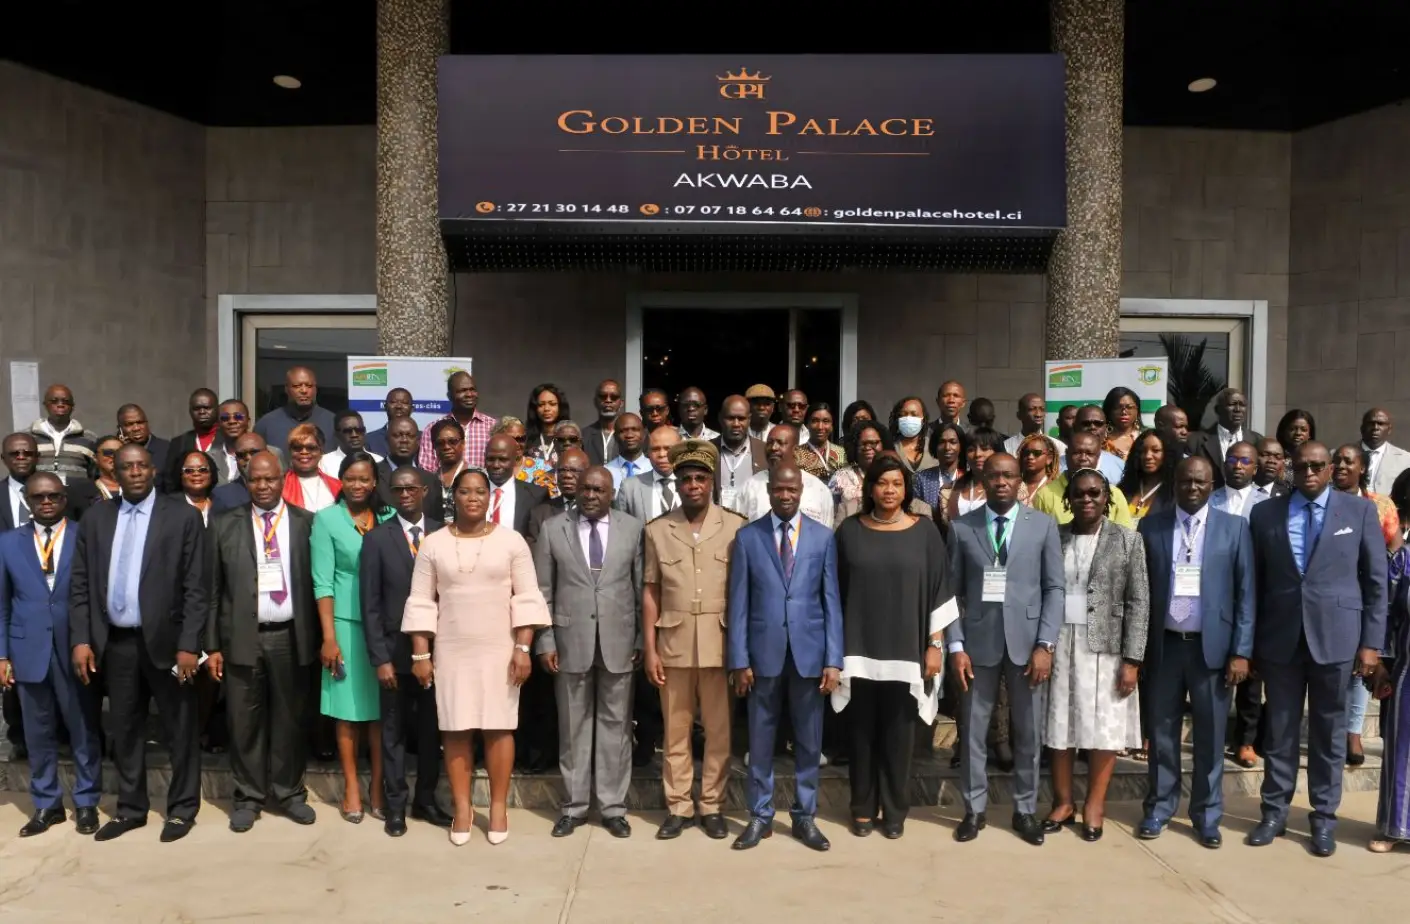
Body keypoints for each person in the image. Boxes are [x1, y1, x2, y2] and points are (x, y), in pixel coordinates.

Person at [1247, 441, 1387, 857]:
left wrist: (1371, 644)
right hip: (1281, 638)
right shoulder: (1265, 513)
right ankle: (1274, 812)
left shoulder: (1359, 512)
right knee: (1281, 732)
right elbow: (1254, 583)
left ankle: (1324, 817)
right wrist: (1250, 643)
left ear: (1331, 469)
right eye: (1302, 466)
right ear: (1291, 468)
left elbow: (1376, 583)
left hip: (1338, 637)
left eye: (1318, 466)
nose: (1309, 473)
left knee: (1328, 735)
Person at [403, 467, 551, 846]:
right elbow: (421, 600)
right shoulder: (435, 543)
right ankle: (463, 808)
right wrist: (421, 653)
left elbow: (527, 598)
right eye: (465, 492)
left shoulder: (512, 541)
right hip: (452, 650)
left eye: (479, 492)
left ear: (490, 498)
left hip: (500, 649)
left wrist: (523, 648)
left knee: (499, 727)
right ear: (454, 497)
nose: (472, 498)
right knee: (455, 726)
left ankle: (499, 807)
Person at [70, 443, 208, 842]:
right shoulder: (97, 517)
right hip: (116, 643)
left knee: (179, 728)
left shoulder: (181, 516)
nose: (134, 472)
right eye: (126, 466)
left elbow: (196, 587)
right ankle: (131, 809)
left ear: (152, 470)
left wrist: (188, 645)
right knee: (125, 728)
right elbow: (80, 584)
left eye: (141, 466)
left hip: (168, 644)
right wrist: (81, 639)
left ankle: (182, 810)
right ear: (114, 469)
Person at [832, 453, 953, 839]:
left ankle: (895, 810)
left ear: (906, 489)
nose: (889, 490)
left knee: (899, 738)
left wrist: (935, 645)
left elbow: (940, 591)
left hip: (907, 652)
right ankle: (862, 808)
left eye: (896, 483)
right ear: (869, 488)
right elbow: (834, 593)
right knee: (862, 736)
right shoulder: (849, 531)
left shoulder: (925, 532)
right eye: (882, 483)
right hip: (858, 651)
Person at [1137, 456, 1254, 848]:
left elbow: (1245, 596)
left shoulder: (1234, 529)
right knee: (1162, 735)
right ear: (1175, 483)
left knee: (1210, 737)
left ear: (1211, 486)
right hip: (1165, 648)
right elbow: (1139, 594)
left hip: (1213, 652)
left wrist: (1241, 651)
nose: (1192, 488)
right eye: (1185, 480)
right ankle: (1159, 807)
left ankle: (1206, 816)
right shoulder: (1151, 525)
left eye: (1200, 482)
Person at [947, 453, 1063, 846]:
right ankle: (973, 808)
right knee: (974, 732)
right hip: (977, 645)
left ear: (1020, 482)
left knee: (1027, 734)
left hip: (1029, 646)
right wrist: (956, 645)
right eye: (993, 475)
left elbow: (1054, 589)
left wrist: (1046, 644)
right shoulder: (962, 528)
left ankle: (1025, 809)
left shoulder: (1043, 527)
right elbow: (952, 593)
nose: (1001, 482)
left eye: (1008, 476)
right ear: (982, 478)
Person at [727, 464, 843, 852]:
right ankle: (760, 816)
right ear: (770, 491)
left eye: (792, 489)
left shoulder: (824, 538)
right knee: (760, 741)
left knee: (810, 741)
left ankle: (804, 815)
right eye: (779, 489)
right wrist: (739, 660)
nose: (786, 495)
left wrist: (833, 659)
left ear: (802, 491)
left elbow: (831, 603)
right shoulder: (747, 538)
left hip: (810, 655)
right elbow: (738, 604)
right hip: (763, 656)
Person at [205, 452, 319, 831]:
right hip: (242, 638)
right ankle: (248, 797)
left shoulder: (306, 524)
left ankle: (288, 793)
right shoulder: (224, 525)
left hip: (290, 636)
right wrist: (213, 646)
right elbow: (212, 591)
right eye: (256, 480)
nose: (263, 486)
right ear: (246, 481)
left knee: (289, 719)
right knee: (244, 722)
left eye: (270, 479)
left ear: (283, 478)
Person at [642, 440, 745, 841]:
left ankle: (712, 804)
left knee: (719, 732)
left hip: (720, 644)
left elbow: (744, 594)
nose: (693, 485)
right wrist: (649, 648)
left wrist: (742, 652)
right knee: (676, 732)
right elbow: (650, 592)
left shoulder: (736, 527)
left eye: (701, 478)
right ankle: (679, 806)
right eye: (686, 479)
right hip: (674, 644)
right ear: (677, 484)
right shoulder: (658, 531)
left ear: (713, 482)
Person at [533, 466, 644, 839]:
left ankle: (613, 808)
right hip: (569, 643)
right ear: (575, 491)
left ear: (611, 492)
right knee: (573, 728)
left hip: (619, 642)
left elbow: (642, 588)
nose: (591, 495)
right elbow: (542, 592)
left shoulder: (632, 528)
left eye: (599, 489)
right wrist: (545, 640)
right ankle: (575, 806)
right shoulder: (554, 528)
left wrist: (642, 639)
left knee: (616, 727)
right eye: (585, 489)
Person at [1043, 469, 1147, 842]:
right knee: (1060, 725)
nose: (1087, 500)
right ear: (1068, 499)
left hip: (1106, 650)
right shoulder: (1054, 537)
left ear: (1107, 498)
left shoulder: (1127, 540)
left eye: (1095, 493)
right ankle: (1063, 802)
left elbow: (1139, 602)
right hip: (1060, 645)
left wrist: (1132, 660)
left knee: (1103, 728)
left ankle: (1094, 805)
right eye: (1080, 494)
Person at [0, 474, 102, 837]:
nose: (46, 502)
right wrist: (1, 655)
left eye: (53, 496)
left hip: (75, 646)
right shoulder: (8, 543)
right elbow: (2, 604)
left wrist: (89, 640)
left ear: (64, 499)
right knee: (36, 731)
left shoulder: (84, 535)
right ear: (27, 500)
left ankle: (87, 801)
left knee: (82, 727)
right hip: (27, 648)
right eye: (38, 497)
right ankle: (47, 804)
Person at [359, 466, 453, 836]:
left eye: (411, 488)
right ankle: (395, 805)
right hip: (395, 656)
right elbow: (370, 604)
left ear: (426, 490)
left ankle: (425, 800)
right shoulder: (377, 539)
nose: (405, 495)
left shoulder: (445, 534)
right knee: (394, 733)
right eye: (397, 490)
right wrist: (379, 658)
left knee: (432, 731)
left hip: (440, 653)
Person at [312, 451, 394, 824]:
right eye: (351, 478)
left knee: (379, 713)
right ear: (340, 481)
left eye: (365, 479)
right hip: (344, 625)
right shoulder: (326, 520)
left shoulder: (390, 517)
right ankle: (351, 788)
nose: (358, 485)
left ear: (375, 482)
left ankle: (378, 787)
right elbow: (322, 582)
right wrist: (329, 637)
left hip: (383, 630)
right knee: (347, 715)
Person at [1369, 544, 1410, 852]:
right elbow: (1386, 609)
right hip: (1408, 671)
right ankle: (1395, 827)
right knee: (1401, 750)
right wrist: (1381, 662)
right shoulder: (1404, 559)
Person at [1188, 388, 1262, 489]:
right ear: (1218, 410)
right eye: (1232, 404)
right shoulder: (1195, 441)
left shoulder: (1257, 440)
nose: (1238, 409)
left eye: (1242, 405)